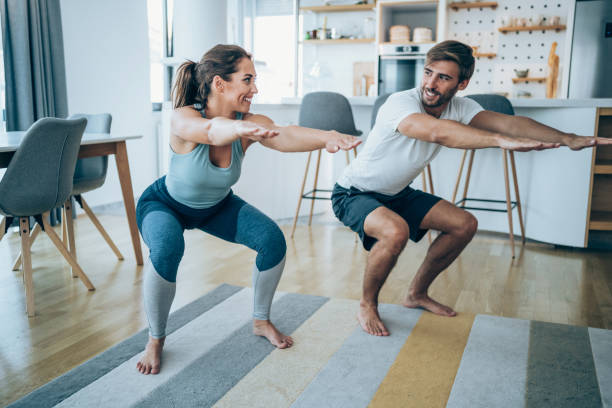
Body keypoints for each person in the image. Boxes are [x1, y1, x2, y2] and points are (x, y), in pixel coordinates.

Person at [331, 40, 612, 337]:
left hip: (397, 193)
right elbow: (437, 132)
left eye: (443, 78)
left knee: (464, 225)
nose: (430, 83)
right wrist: (498, 141)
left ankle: (416, 294)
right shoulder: (401, 102)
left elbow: (511, 124)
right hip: (354, 192)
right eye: (428, 73)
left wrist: (568, 138)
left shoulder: (460, 107)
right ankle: (367, 304)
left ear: (462, 83)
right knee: (394, 230)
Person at [136, 44, 361, 374]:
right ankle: (155, 339)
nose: (255, 88)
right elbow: (210, 131)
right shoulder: (184, 116)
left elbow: (285, 135)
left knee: (272, 241)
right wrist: (240, 129)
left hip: (216, 206)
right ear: (219, 83)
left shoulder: (249, 122)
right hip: (165, 205)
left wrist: (327, 136)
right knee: (168, 248)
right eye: (248, 80)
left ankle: (260, 320)